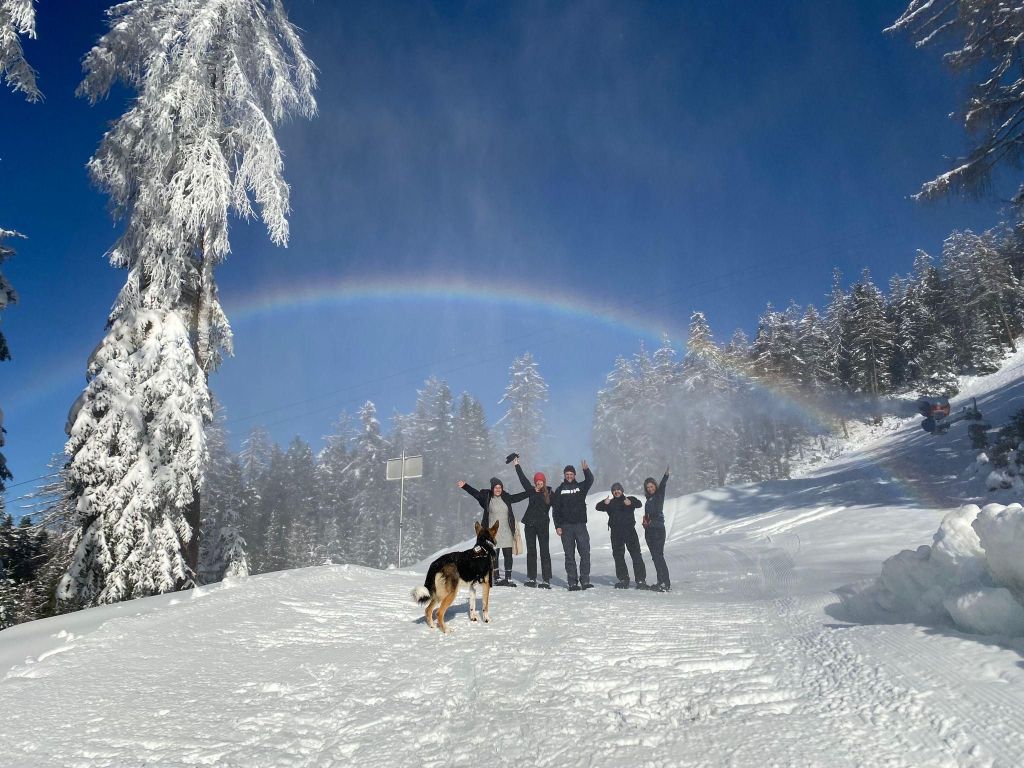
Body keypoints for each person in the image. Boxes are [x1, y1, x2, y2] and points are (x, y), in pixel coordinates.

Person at [457, 477, 528, 586]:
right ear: (492, 488)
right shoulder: (487, 497)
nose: (498, 489)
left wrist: (531, 492)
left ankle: (508, 578)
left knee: (508, 554)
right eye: (496, 487)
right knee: (494, 555)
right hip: (493, 532)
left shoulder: (506, 497)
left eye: (500, 487)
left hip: (507, 530)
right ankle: (497, 577)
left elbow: (518, 497)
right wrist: (465, 486)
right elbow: (475, 493)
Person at [551, 460, 595, 591]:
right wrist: (557, 526)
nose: (569, 476)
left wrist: (586, 471)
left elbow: (590, 480)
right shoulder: (559, 490)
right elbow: (556, 510)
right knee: (569, 555)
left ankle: (585, 581)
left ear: (575, 475)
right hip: (566, 527)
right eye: (567, 474)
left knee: (585, 553)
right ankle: (572, 582)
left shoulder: (581, 487)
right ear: (564, 475)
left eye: (571, 474)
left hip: (580, 525)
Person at [595, 482, 649, 589]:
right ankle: (623, 579)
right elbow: (598, 507)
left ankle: (641, 580)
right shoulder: (610, 502)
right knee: (618, 556)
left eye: (618, 489)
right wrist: (605, 503)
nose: (616, 491)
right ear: (612, 492)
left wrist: (630, 503)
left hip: (629, 531)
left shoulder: (629, 499)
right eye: (614, 490)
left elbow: (639, 504)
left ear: (622, 490)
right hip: (616, 532)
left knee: (636, 555)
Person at [512, 456, 554, 588]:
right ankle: (531, 578)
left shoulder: (550, 494)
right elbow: (522, 479)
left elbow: (560, 507)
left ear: (544, 483)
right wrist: (517, 465)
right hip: (530, 524)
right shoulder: (531, 491)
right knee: (531, 551)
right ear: (535, 483)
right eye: (537, 482)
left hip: (542, 525)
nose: (539, 484)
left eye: (541, 482)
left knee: (544, 551)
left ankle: (546, 580)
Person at [642, 467, 671, 592]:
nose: (650, 489)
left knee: (659, 556)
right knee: (655, 556)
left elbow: (663, 486)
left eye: (652, 486)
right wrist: (645, 522)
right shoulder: (648, 500)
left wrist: (665, 476)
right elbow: (647, 516)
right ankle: (661, 581)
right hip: (649, 530)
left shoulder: (659, 495)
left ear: (655, 486)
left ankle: (665, 583)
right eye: (648, 487)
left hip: (658, 529)